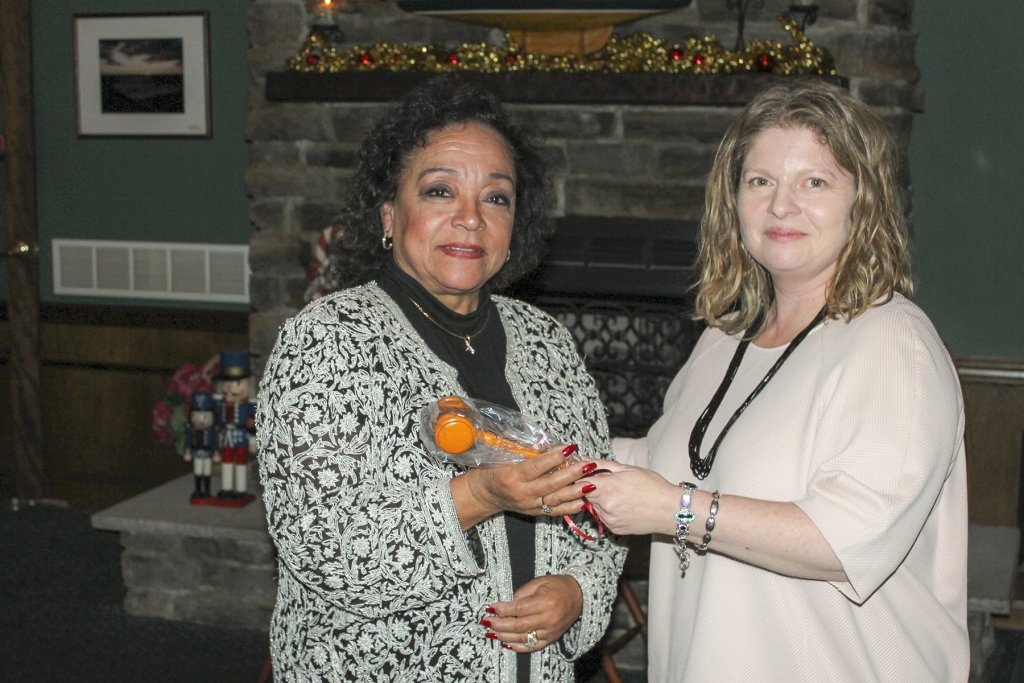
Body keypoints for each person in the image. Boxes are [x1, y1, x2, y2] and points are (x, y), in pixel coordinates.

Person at [568, 79, 969, 680]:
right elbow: (679, 458)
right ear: (732, 201)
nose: (783, 205)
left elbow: (844, 541)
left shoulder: (893, 344)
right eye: (761, 181)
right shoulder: (725, 336)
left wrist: (675, 511)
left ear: (864, 202)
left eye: (815, 181)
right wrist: (554, 452)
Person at [256, 76, 625, 682]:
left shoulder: (546, 341)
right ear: (389, 214)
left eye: (496, 198)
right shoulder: (327, 339)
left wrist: (579, 593)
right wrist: (483, 494)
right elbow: (327, 553)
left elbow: (600, 503)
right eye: (439, 191)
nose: (471, 219)